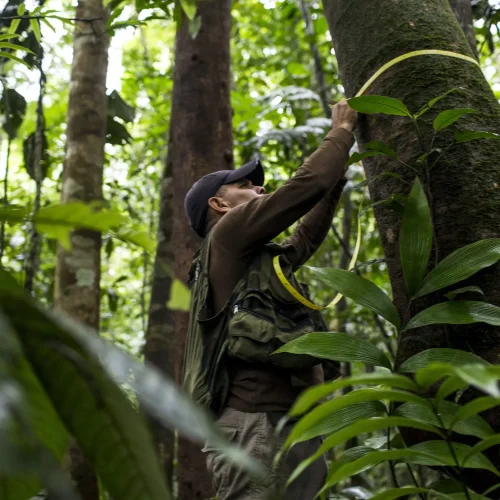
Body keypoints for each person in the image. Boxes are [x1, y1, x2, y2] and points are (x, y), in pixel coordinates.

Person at [182, 99, 358, 499]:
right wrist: (341, 131)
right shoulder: (227, 234)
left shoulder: (255, 257)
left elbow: (304, 239)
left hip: (285, 420)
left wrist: (334, 187)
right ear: (219, 204)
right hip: (254, 425)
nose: (257, 188)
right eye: (244, 186)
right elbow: (303, 188)